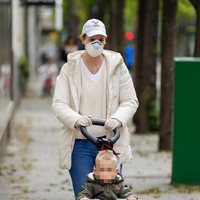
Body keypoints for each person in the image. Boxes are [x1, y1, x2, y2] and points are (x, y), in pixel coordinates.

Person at [52, 18, 139, 197]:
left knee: (111, 194)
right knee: (84, 194)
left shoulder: (117, 67)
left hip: (111, 144)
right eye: (92, 39)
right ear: (83, 39)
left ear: (106, 40)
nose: (96, 43)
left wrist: (117, 119)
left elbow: (130, 100)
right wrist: (76, 119)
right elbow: (59, 103)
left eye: (100, 38)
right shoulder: (69, 69)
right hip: (80, 143)